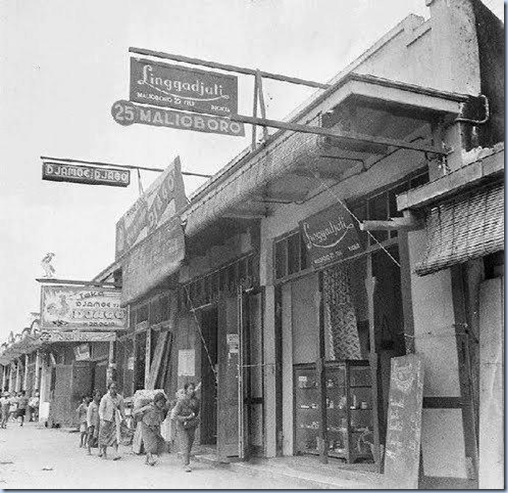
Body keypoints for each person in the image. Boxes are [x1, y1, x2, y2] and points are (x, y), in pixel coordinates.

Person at [171, 382, 200, 472]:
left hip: (191, 424)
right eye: (190, 389)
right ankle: (185, 464)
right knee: (185, 443)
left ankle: (185, 460)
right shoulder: (181, 402)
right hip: (181, 425)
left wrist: (193, 418)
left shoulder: (196, 401)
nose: (191, 391)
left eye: (192, 389)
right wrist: (186, 418)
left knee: (190, 443)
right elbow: (174, 416)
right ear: (186, 390)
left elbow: (197, 412)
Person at [134, 392, 168, 466]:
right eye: (160, 402)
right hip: (146, 427)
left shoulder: (160, 410)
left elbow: (161, 419)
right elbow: (136, 412)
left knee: (155, 442)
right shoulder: (149, 408)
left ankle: (147, 460)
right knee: (149, 442)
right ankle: (151, 458)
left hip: (155, 427)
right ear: (156, 401)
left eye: (163, 403)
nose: (161, 404)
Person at [98, 381, 125, 460]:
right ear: (109, 389)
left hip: (115, 419)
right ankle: (104, 452)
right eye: (112, 388)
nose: (114, 390)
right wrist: (102, 419)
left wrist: (124, 418)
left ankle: (115, 453)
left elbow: (122, 409)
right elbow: (101, 410)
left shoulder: (120, 398)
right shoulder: (105, 398)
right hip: (106, 419)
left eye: (115, 388)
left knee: (115, 436)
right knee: (104, 436)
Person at [86, 390, 101, 456]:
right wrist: (89, 425)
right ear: (94, 396)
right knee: (91, 436)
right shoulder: (91, 405)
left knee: (99, 437)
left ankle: (100, 451)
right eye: (98, 396)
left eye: (100, 395)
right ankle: (88, 449)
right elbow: (88, 416)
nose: (99, 397)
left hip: (99, 423)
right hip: (93, 424)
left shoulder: (100, 404)